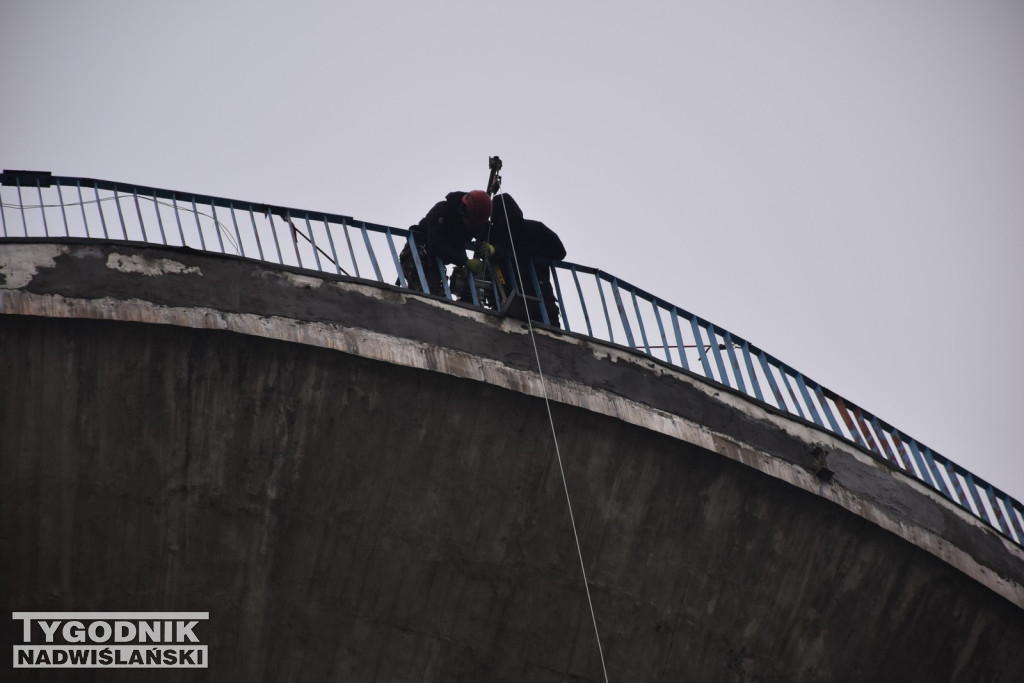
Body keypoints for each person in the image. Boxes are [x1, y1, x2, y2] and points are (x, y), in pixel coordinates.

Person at [476, 193, 566, 327]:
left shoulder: (532, 229)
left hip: (534, 296)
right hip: (520, 298)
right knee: (548, 328)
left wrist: (528, 253)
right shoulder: (501, 232)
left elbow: (560, 252)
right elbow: (560, 251)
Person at [399, 190, 492, 294]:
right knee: (432, 293)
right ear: (462, 210)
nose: (473, 227)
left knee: (436, 295)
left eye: (476, 225)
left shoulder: (477, 220)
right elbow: (436, 243)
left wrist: (492, 249)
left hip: (434, 264)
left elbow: (490, 235)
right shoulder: (442, 210)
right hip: (417, 255)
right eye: (471, 222)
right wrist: (464, 261)